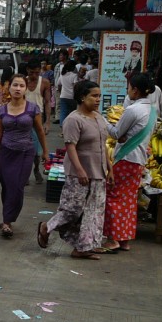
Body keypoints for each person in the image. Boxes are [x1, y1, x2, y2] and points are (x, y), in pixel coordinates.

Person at [38, 81, 111, 260]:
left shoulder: (99, 118)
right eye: (94, 96)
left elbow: (103, 146)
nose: (98, 99)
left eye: (99, 96)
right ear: (82, 97)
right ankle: (47, 227)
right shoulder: (73, 119)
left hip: (99, 172)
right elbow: (70, 147)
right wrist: (79, 170)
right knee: (73, 209)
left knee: (94, 212)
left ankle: (83, 248)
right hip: (79, 173)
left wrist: (110, 168)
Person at [101, 73, 157, 253]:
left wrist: (102, 120)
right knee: (129, 200)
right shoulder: (152, 110)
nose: (127, 91)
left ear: (135, 90)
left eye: (129, 87)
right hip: (138, 160)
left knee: (113, 197)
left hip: (125, 159)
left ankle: (113, 239)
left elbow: (117, 134)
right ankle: (125, 239)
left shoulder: (133, 110)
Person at [0, 73, 48, 238]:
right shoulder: (1, 111)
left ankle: (7, 221)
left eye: (21, 86)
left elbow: (39, 131)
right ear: (9, 87)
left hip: (26, 153)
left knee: (17, 186)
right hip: (6, 153)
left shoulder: (32, 109)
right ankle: (7, 217)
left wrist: (45, 151)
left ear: (25, 89)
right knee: (7, 186)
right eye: (15, 85)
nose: (18, 88)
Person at [25, 59, 52, 184]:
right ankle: (25, 172)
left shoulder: (44, 83)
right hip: (23, 118)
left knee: (36, 150)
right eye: (31, 73)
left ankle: (36, 169)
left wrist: (47, 122)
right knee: (24, 148)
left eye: (36, 73)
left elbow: (47, 102)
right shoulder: (22, 82)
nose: (34, 76)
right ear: (27, 71)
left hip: (38, 118)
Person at [57, 60, 80, 125]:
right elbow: (76, 86)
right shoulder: (74, 75)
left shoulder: (62, 75)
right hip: (72, 96)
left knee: (63, 112)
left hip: (63, 96)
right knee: (72, 112)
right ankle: (71, 126)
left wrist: (60, 91)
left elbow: (58, 85)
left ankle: (62, 127)